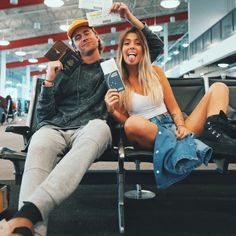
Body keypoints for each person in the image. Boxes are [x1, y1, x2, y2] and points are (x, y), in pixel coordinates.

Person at [0, 2, 163, 236]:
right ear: (74, 46)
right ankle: (30, 230)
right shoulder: (62, 71)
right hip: (55, 128)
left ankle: (26, 215)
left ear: (97, 38)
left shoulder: (112, 67)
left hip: (92, 126)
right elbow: (44, 116)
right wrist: (48, 80)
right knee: (39, 144)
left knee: (97, 129)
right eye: (77, 37)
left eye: (87, 33)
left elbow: (155, 47)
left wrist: (128, 16)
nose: (82, 37)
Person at [105, 25, 236, 189]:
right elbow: (126, 120)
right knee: (132, 124)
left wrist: (181, 126)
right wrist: (112, 110)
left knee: (219, 87)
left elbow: (174, 108)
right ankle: (199, 145)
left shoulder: (156, 72)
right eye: (127, 43)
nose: (132, 46)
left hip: (173, 127)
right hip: (148, 131)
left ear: (143, 50)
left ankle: (217, 137)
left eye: (137, 43)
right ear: (121, 50)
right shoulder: (117, 81)